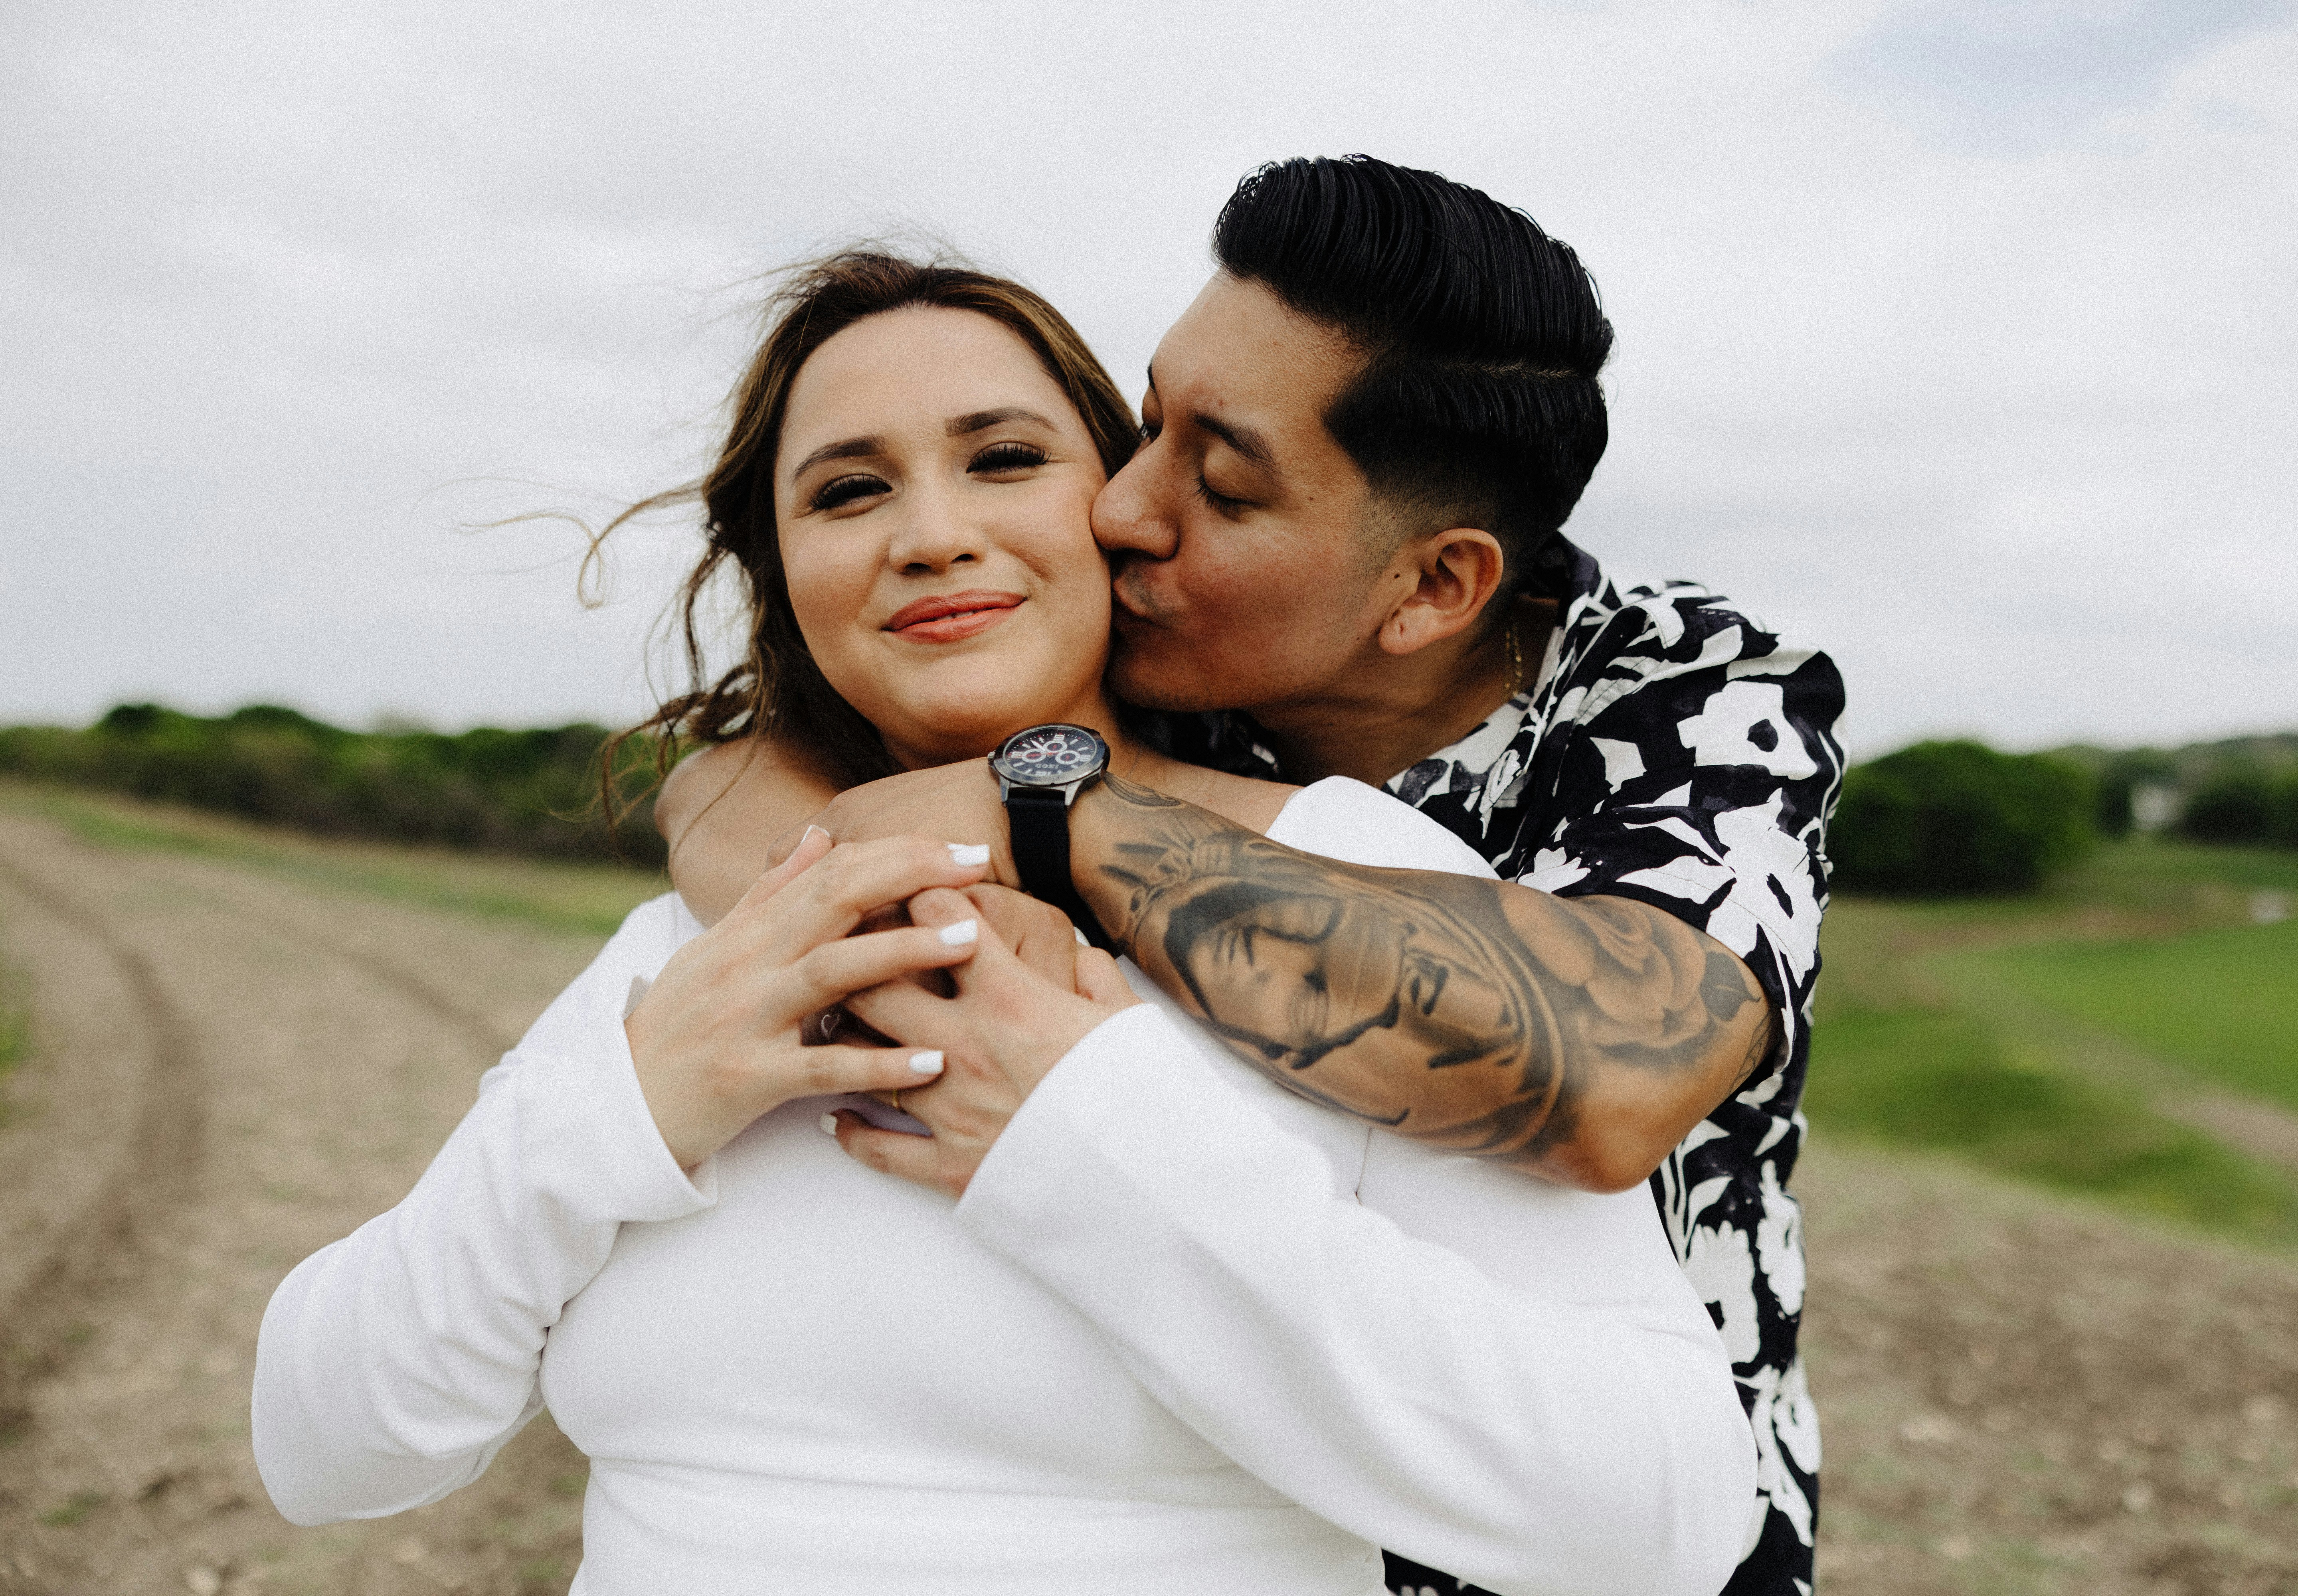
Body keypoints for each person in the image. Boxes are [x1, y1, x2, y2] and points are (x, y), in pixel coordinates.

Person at [250, 250, 1758, 1596]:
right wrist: (621, 1113)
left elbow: (1666, 1518)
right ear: (785, 574)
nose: (929, 534)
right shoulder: (702, 940)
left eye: (1003, 459)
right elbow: (327, 1453)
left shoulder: (1360, 881)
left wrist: (1082, 1131)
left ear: (1113, 514)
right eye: (847, 490)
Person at [666, 156, 1845, 1596]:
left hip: (1592, 1528)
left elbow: (1608, 1074)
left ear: (1431, 588)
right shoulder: (1176, 662)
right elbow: (746, 772)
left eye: (1219, 483)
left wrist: (1050, 811)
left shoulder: (1689, 699)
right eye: (1147, 423)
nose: (1123, 510)